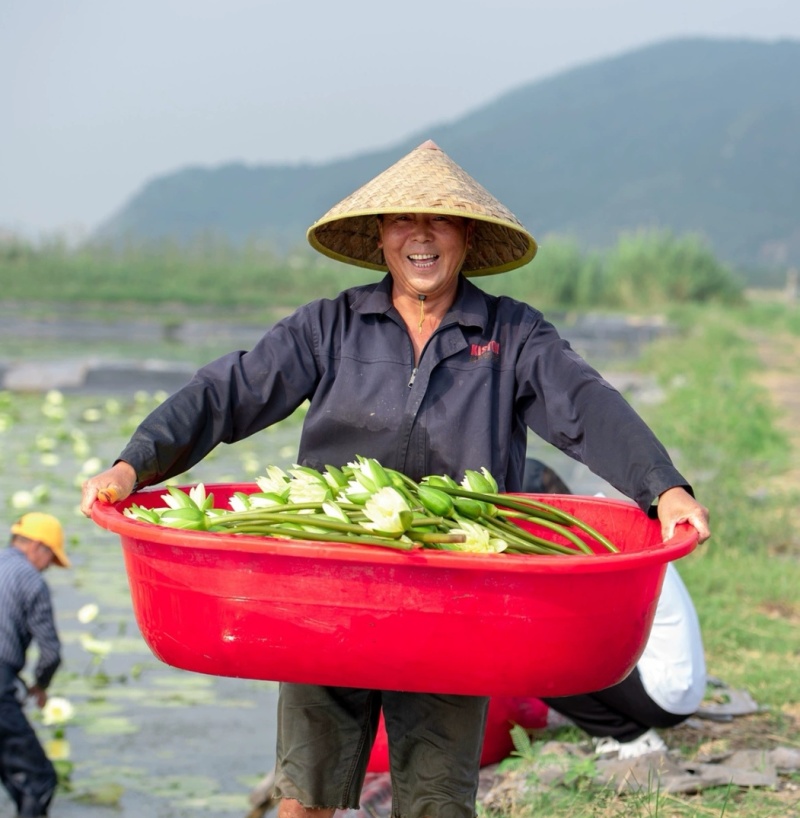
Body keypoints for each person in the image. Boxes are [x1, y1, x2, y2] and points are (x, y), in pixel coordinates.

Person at [81, 139, 710, 818]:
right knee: (305, 794)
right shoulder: (330, 327)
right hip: (326, 592)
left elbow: (587, 406)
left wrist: (663, 486)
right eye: (403, 221)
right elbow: (228, 392)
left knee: (437, 803)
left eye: (439, 220)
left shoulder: (511, 335)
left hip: (453, 601)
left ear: (467, 235)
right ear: (380, 236)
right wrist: (133, 462)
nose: (420, 236)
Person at [521, 459, 707, 760]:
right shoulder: (605, 519)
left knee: (528, 659)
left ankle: (627, 736)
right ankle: (623, 722)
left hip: (664, 693)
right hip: (676, 679)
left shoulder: (599, 545)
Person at [1, 512, 70, 818]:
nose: (47, 568)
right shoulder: (31, 580)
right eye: (50, 559)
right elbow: (51, 653)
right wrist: (40, 686)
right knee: (39, 779)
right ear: (37, 547)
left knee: (14, 774)